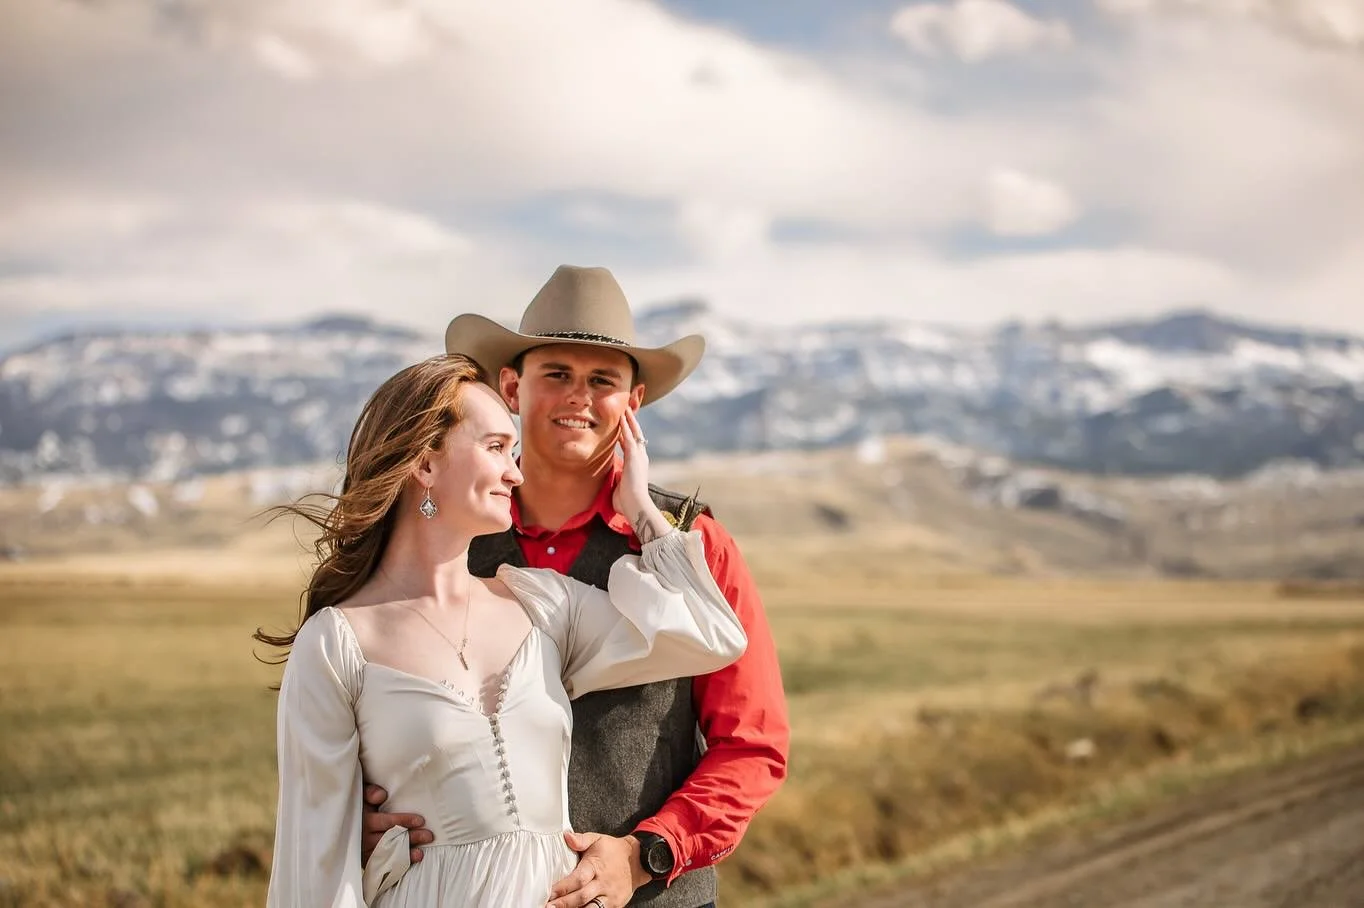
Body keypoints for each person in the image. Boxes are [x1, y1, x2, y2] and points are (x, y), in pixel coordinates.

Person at [363, 265, 791, 907]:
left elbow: (752, 744)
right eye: (556, 374)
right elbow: (374, 696)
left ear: (634, 401)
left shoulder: (692, 545)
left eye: (603, 381)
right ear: (512, 386)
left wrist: (646, 854)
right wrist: (362, 815)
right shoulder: (450, 538)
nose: (579, 398)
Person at [259, 353, 748, 907]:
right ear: (424, 462)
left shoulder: (541, 602)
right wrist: (355, 837)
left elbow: (710, 635)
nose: (515, 473)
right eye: (495, 448)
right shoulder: (334, 643)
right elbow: (314, 874)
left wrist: (640, 509)